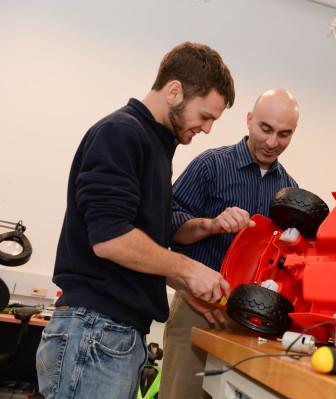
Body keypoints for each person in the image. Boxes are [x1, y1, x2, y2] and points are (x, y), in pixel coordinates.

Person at [35, 42, 235, 399]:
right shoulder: (122, 134)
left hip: (112, 335)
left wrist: (188, 288)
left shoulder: (156, 148)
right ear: (175, 91)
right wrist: (189, 269)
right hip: (94, 334)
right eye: (205, 116)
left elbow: (141, 249)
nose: (206, 129)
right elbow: (111, 239)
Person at [159, 88, 299, 399]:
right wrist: (211, 225)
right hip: (199, 309)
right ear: (249, 120)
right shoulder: (210, 166)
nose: (273, 142)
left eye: (284, 134)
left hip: (253, 323)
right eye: (265, 129)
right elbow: (168, 227)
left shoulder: (290, 190)